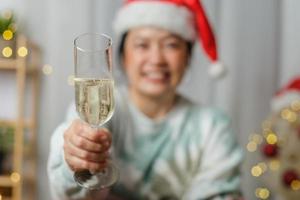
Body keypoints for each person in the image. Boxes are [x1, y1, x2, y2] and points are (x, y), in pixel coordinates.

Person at [47, 0, 243, 199]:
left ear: (187, 57)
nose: (156, 59)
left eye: (171, 45)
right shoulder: (98, 104)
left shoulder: (213, 127)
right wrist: (75, 158)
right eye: (142, 45)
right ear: (122, 56)